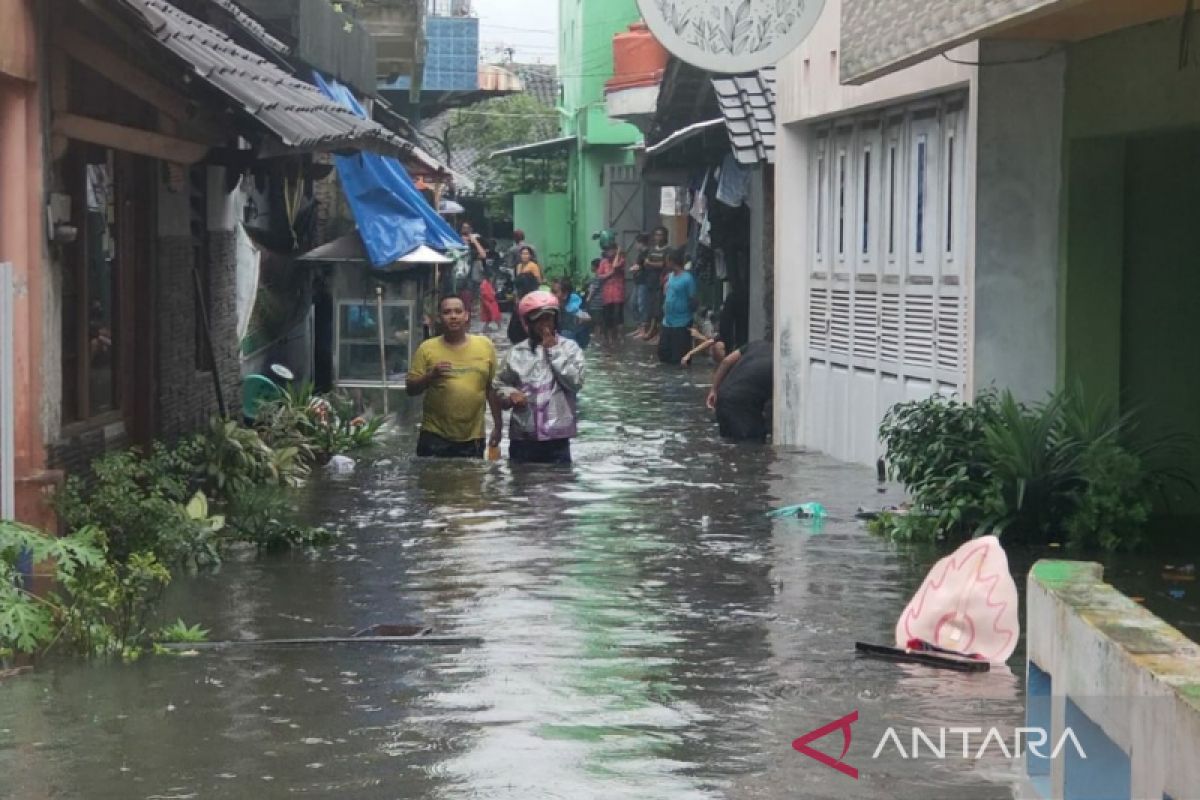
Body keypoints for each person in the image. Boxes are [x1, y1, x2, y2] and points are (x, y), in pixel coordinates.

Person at [493, 291, 585, 464]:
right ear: (528, 323)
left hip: (557, 437)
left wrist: (554, 351)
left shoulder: (570, 348)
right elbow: (498, 383)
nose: (545, 325)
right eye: (539, 320)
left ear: (556, 320)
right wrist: (510, 394)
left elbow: (575, 383)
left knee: (558, 484)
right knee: (522, 484)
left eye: (548, 319)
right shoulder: (516, 352)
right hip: (523, 436)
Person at [406, 296, 503, 458]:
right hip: (434, 435)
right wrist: (431, 376)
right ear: (439, 318)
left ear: (466, 315)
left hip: (473, 437)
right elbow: (410, 389)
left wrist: (498, 426)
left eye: (458, 311)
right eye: (447, 312)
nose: (453, 316)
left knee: (470, 481)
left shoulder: (485, 346)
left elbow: (491, 390)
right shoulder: (427, 348)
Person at [706, 339, 773, 442]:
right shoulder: (782, 363)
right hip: (743, 407)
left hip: (723, 396)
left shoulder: (756, 344)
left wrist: (714, 390)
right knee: (751, 447)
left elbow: (726, 361)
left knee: (728, 445)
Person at [658, 247, 697, 365]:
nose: (665, 263)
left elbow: (693, 299)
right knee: (663, 353)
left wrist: (692, 320)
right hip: (668, 321)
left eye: (667, 260)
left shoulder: (687, 278)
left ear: (672, 261)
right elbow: (666, 293)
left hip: (682, 322)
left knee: (679, 356)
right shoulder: (669, 276)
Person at [636, 227, 670, 341]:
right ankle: (652, 331)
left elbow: (663, 264)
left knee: (660, 308)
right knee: (651, 307)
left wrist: (651, 263)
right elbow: (645, 263)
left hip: (662, 282)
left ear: (665, 236)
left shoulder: (668, 250)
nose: (658, 238)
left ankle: (659, 333)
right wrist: (651, 264)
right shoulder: (651, 250)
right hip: (650, 282)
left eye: (661, 235)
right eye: (656, 235)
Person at [595, 231, 626, 346]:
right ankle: (609, 339)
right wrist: (608, 275)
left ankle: (620, 337)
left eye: (611, 250)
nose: (608, 252)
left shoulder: (621, 260)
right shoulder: (603, 262)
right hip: (607, 295)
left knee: (618, 316)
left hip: (618, 294)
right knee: (607, 317)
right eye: (607, 250)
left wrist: (618, 252)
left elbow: (615, 266)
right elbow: (599, 276)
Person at [553, 278, 591, 350]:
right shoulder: (553, 308)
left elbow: (587, 318)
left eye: (555, 292)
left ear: (565, 294)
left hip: (572, 343)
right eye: (552, 291)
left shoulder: (574, 309)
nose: (551, 294)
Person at [627, 232, 650, 338]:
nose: (636, 246)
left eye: (636, 243)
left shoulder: (647, 253)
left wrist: (635, 268)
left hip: (644, 282)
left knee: (642, 306)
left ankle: (643, 330)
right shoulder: (641, 254)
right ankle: (639, 327)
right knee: (632, 304)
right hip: (638, 282)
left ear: (641, 243)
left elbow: (641, 266)